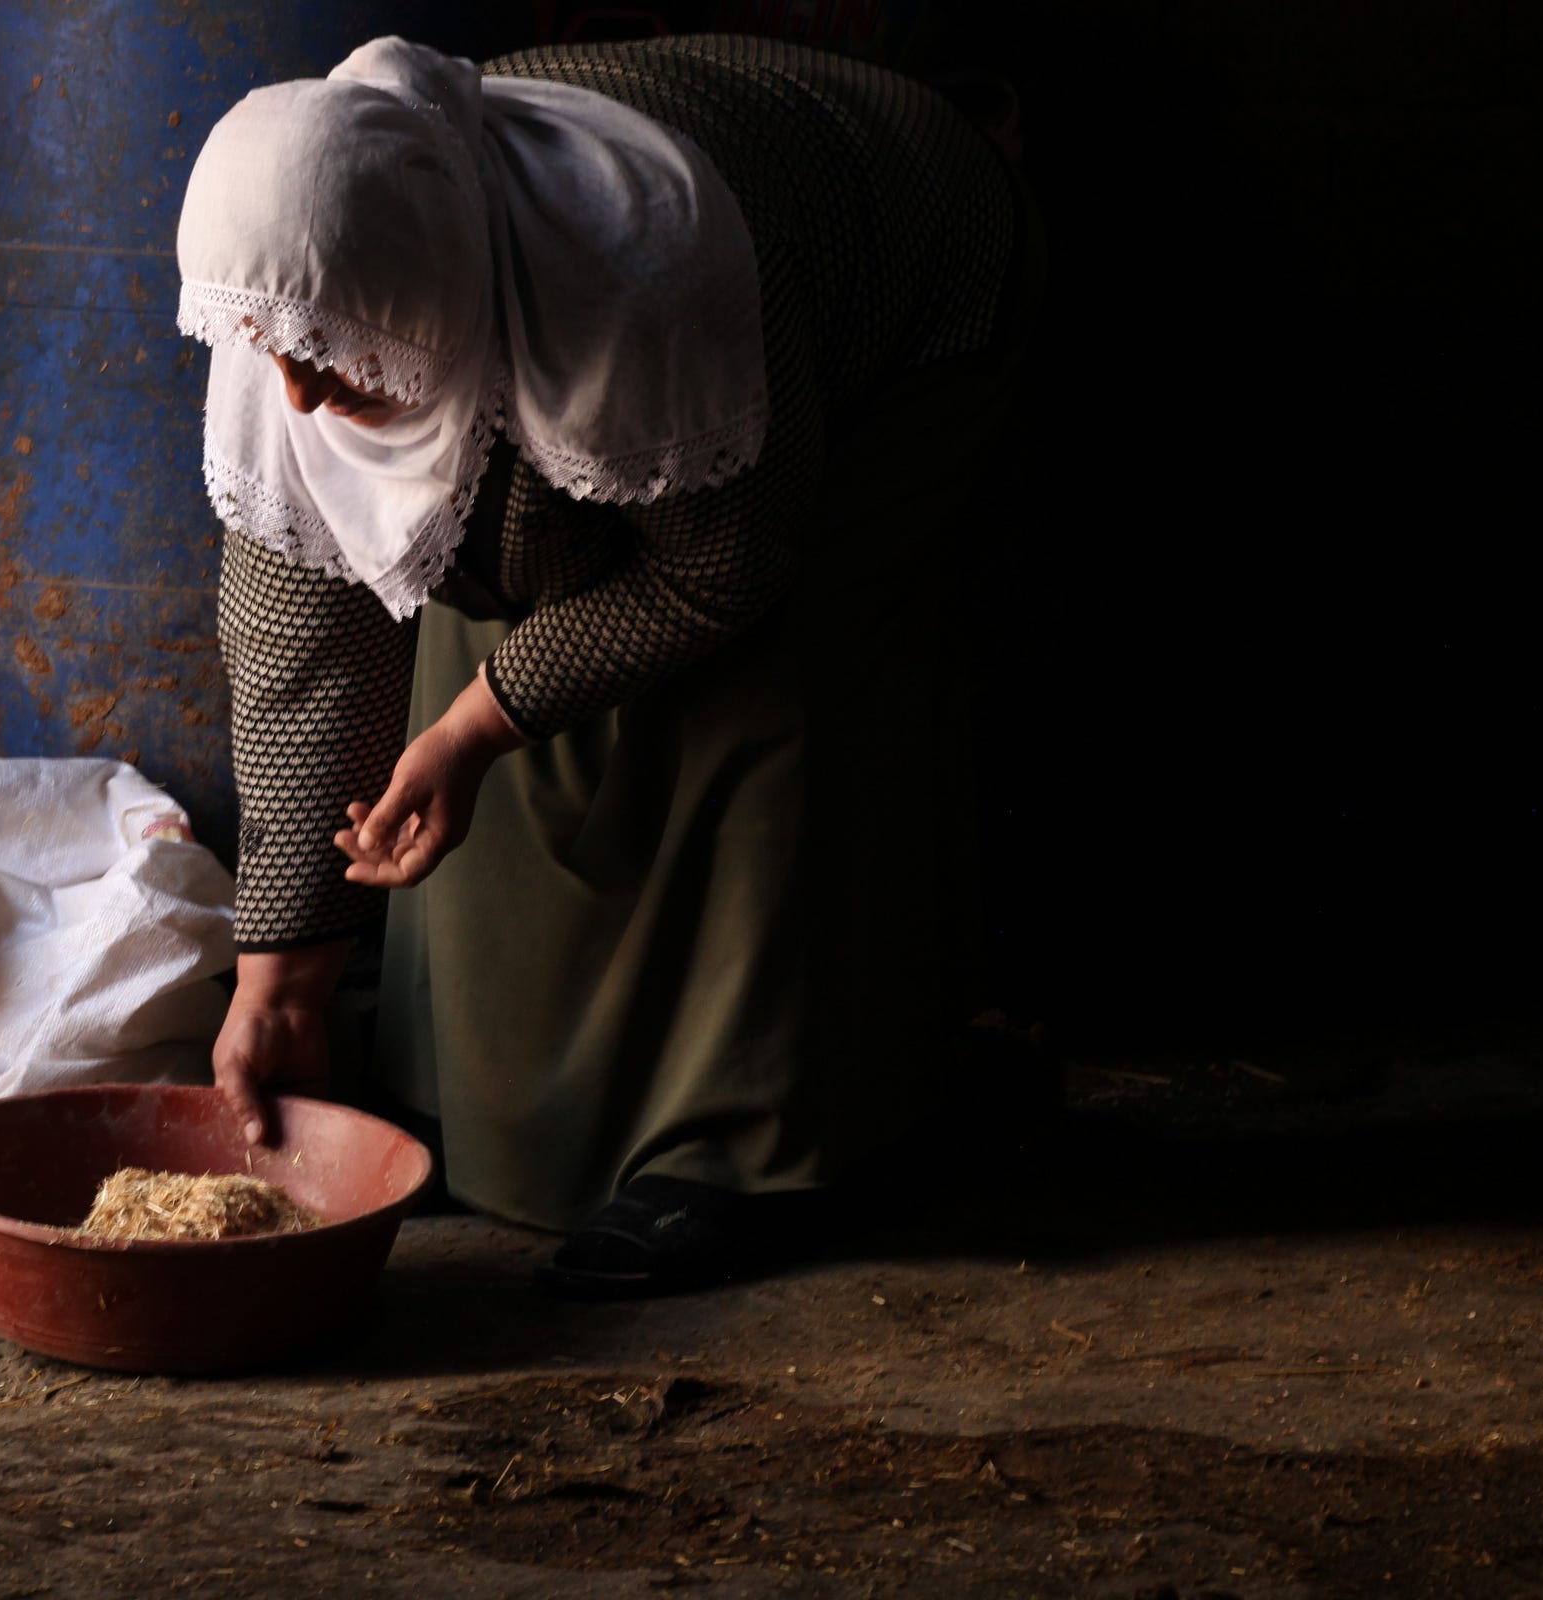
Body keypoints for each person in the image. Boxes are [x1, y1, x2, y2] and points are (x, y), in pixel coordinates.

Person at [174, 32, 1044, 1295]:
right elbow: (303, 659)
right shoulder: (294, 306)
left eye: (332, 352)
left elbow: (723, 570)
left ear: (431, 277)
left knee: (768, 675)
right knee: (472, 634)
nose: (299, 399)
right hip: (640, 337)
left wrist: (481, 727)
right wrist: (281, 982)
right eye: (278, 354)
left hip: (913, 294)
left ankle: (753, 1143)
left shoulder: (643, 271)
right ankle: (492, 1117)